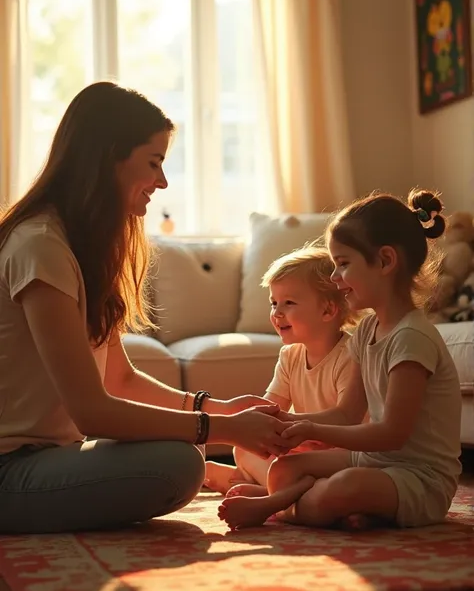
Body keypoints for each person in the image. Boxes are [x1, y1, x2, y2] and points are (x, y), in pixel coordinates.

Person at [0, 81, 295, 534]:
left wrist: (219, 409)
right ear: (108, 158)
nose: (162, 181)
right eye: (154, 163)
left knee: (182, 451)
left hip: (47, 458)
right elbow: (93, 413)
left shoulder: (75, 246)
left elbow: (119, 378)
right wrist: (227, 430)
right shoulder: (40, 246)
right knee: (178, 463)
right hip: (11, 472)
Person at [218, 189, 463, 531]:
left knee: (346, 487)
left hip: (418, 478)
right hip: (374, 462)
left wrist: (313, 429)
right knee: (285, 468)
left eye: (343, 264)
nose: (334, 279)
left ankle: (276, 506)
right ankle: (331, 508)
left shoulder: (412, 338)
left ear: (385, 262)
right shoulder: (366, 333)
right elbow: (347, 414)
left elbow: (392, 434)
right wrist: (291, 423)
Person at [204, 245, 359, 495]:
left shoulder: (351, 356)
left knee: (301, 470)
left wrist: (295, 428)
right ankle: (273, 487)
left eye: (289, 303)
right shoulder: (290, 355)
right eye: (273, 303)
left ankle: (259, 486)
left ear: (328, 310)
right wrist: (251, 426)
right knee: (243, 448)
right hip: (305, 450)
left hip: (343, 453)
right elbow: (272, 408)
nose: (277, 313)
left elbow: (346, 422)